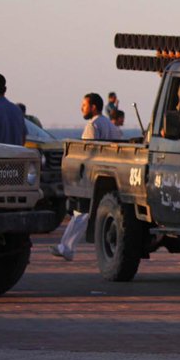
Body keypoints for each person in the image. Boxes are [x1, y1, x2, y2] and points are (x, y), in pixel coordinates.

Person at [51, 93, 117, 260]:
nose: (82, 108)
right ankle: (65, 247)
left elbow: (87, 153)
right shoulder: (109, 124)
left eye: (84, 105)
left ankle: (66, 248)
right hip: (108, 173)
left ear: (93, 107)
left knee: (81, 212)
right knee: (81, 213)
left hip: (92, 175)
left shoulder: (92, 125)